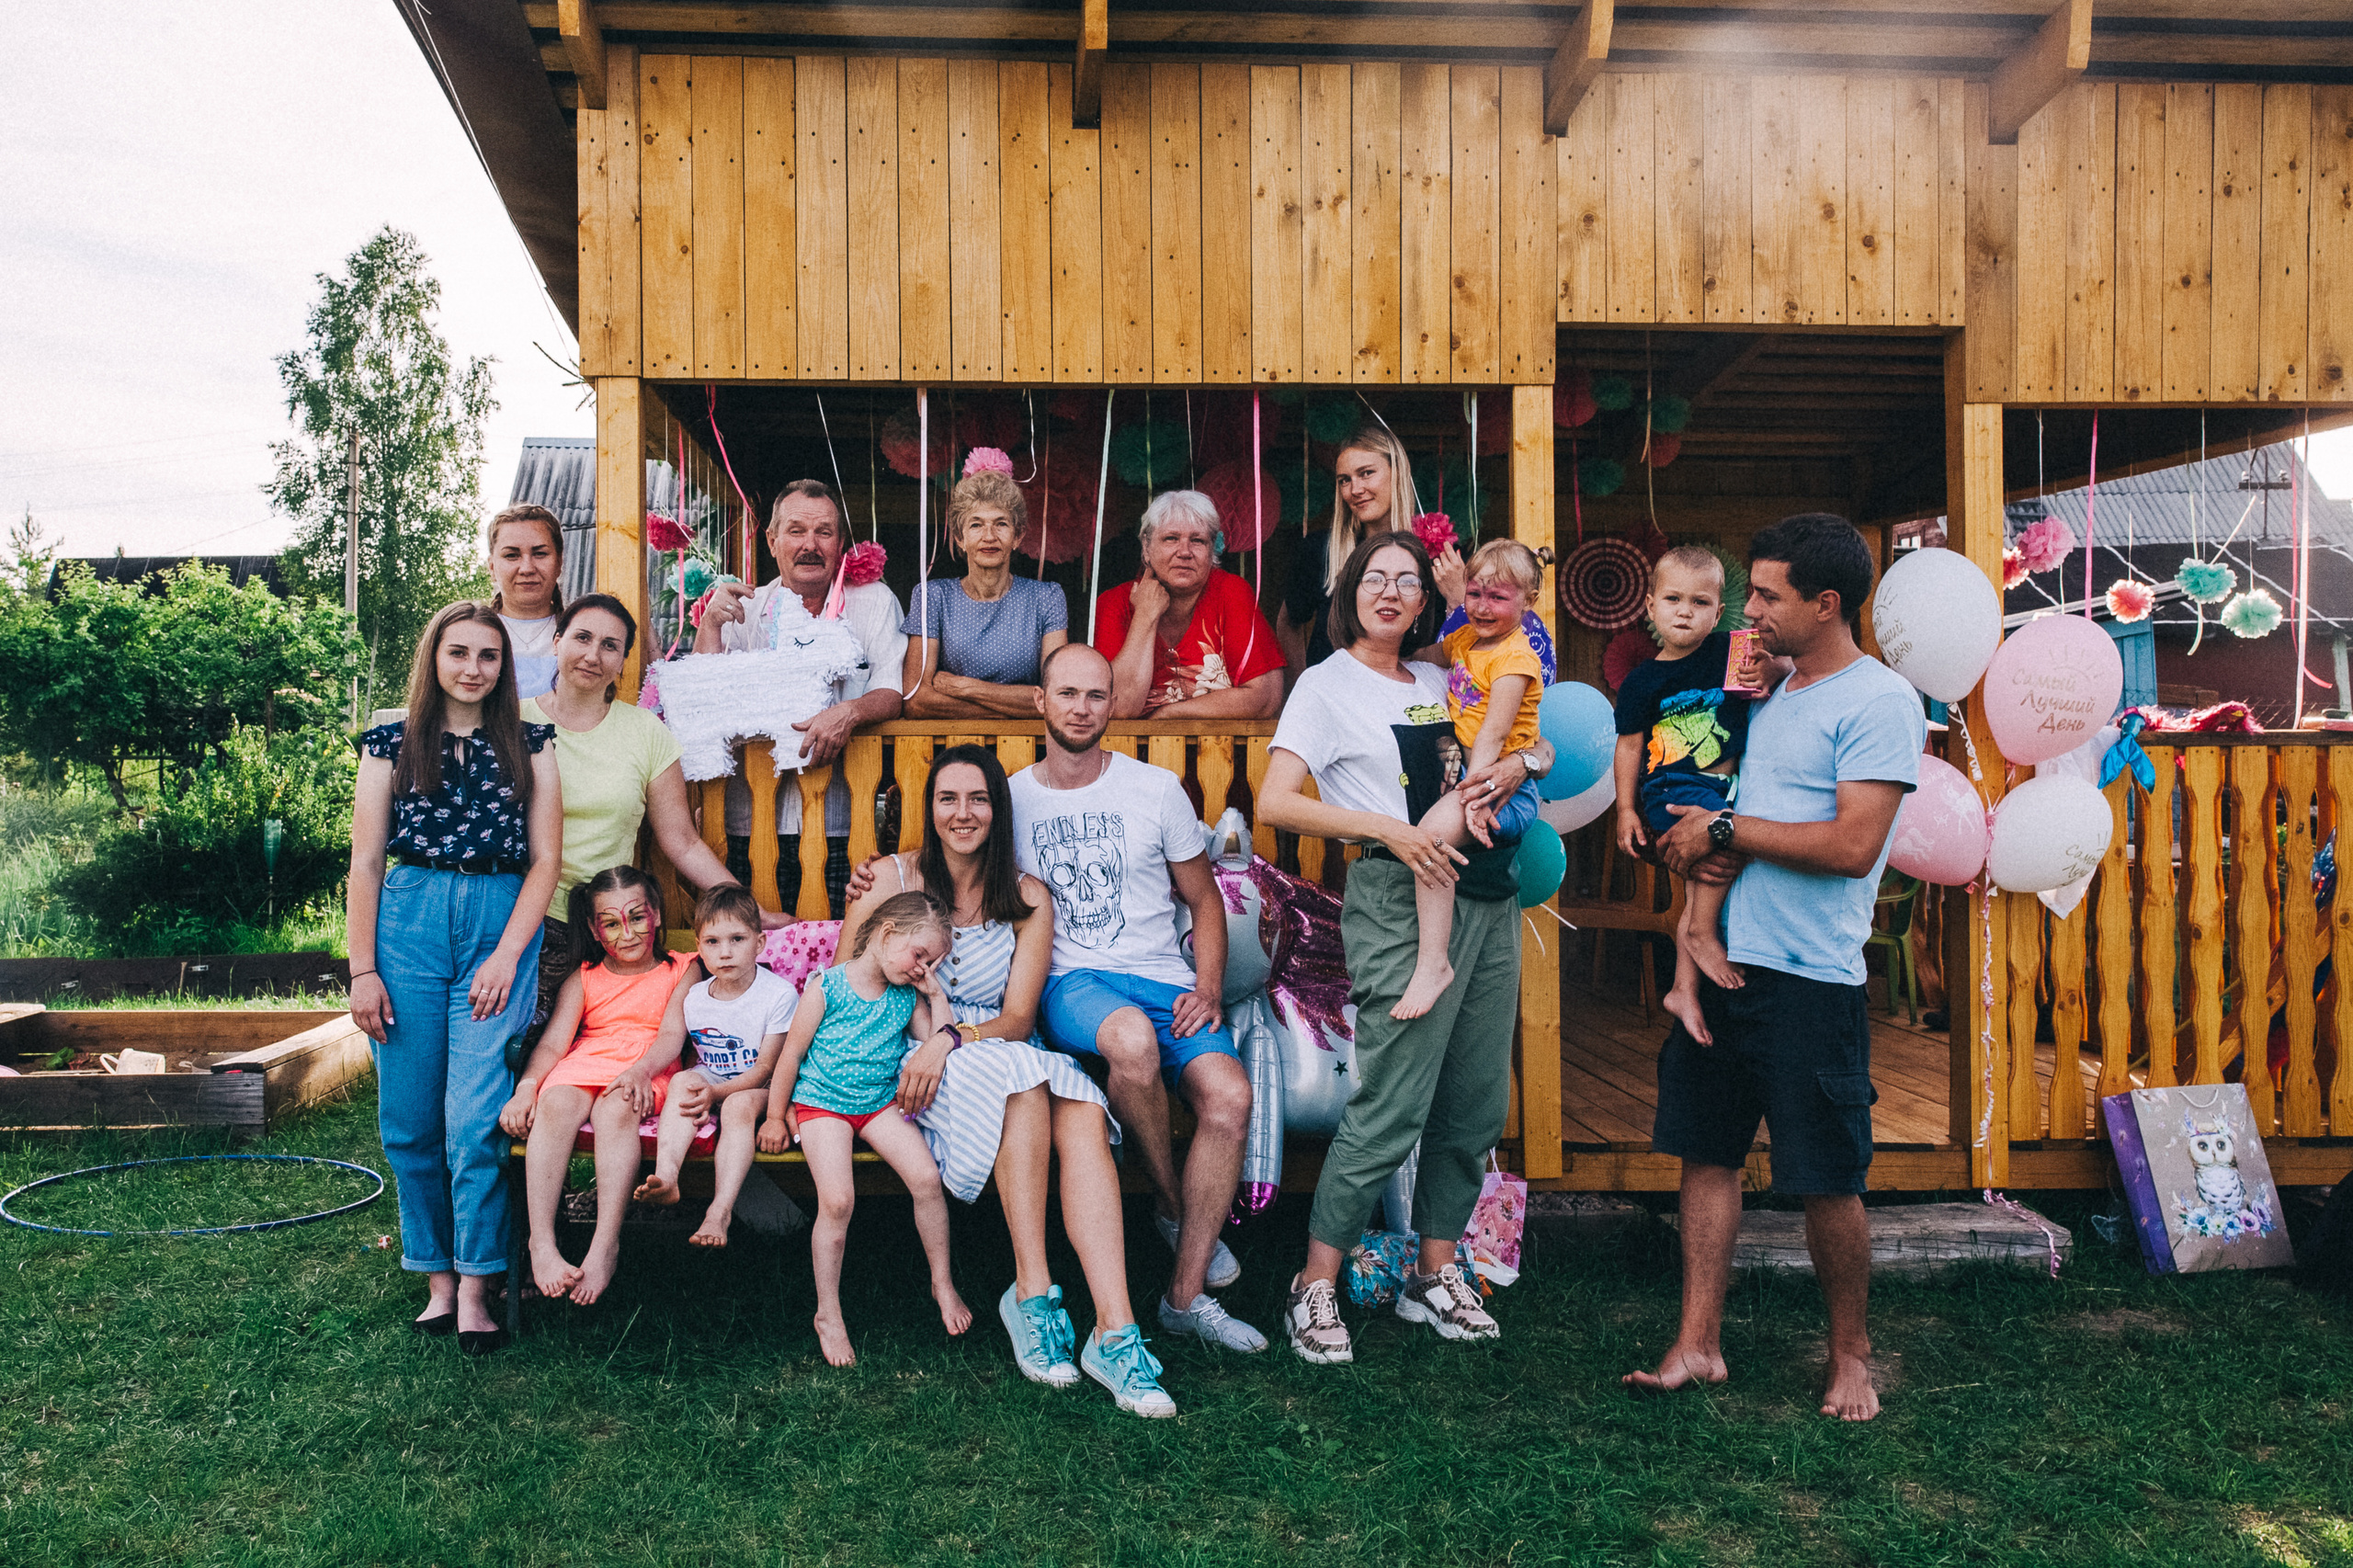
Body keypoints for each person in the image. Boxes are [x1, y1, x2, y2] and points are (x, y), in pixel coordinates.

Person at [1628, 513, 1924, 1423]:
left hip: (1808, 978)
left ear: (1824, 603)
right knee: (1705, 1153)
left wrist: (1723, 830)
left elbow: (1851, 842)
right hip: (1725, 968)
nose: (1747, 610)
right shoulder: (1774, 691)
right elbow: (1707, 787)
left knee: (1825, 1175)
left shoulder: (1877, 700)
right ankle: (1698, 1343)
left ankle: (1849, 1356)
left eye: (1765, 595)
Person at [1257, 532, 1549, 1363]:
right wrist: (1386, 826)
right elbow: (1277, 800)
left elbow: (1522, 733)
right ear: (1349, 591)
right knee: (1391, 1104)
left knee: (1475, 1102)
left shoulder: (1446, 672)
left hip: (1485, 895)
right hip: (1394, 894)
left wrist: (1534, 755)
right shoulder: (1325, 685)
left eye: (1408, 582)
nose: (1390, 593)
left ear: (1430, 599)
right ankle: (1313, 1284)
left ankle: (1434, 1271)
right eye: (1375, 579)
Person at [846, 745, 1166, 1415]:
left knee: (1077, 1104)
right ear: (929, 808)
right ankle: (1032, 1291)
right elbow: (853, 986)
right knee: (1028, 1084)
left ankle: (1115, 1328)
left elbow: (1018, 1019)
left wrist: (951, 1038)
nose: (963, 813)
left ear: (999, 808)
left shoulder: (1024, 895)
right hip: (916, 1063)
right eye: (948, 799)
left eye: (979, 799)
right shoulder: (889, 878)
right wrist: (924, 1042)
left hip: (985, 1043)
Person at [1014, 644, 1267, 1358]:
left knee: (1229, 1095)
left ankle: (1184, 1297)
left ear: (1111, 705)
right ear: (1041, 701)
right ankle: (1174, 1205)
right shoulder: (1012, 797)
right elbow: (947, 858)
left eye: (1096, 695)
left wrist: (1208, 986)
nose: (1081, 708)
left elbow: (1204, 899)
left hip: (1165, 979)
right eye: (1066, 693)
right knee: (1129, 1043)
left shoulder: (1155, 789)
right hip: (1074, 985)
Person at [347, 601, 561, 1356]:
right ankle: (436, 1276)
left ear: (505, 669)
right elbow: (366, 862)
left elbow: (546, 862)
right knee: (410, 1120)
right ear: (434, 659)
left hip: (496, 924)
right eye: (459, 652)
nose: (473, 668)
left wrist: (507, 955)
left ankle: (478, 1285)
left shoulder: (530, 742)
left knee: (475, 1119)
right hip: (407, 922)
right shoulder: (391, 741)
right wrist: (363, 967)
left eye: (489, 656)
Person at [524, 593, 777, 1034]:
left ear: (622, 660)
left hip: (608, 927)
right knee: (519, 1048)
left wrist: (746, 905)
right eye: (581, 638)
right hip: (522, 920)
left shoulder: (646, 732)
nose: (592, 654)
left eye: (609, 645)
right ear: (557, 641)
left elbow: (681, 840)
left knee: (598, 1052)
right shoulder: (515, 722)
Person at [758, 890, 972, 1368]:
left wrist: (936, 994)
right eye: (920, 956)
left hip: (877, 1104)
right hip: (821, 1105)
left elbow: (941, 1040)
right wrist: (776, 1115)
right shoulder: (827, 987)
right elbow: (790, 1055)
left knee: (925, 1179)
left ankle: (941, 1281)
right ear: (887, 932)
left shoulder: (905, 996)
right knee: (838, 1201)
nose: (922, 969)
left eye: (932, 963)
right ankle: (828, 1313)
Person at [694, 480, 907, 915]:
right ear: (771, 541)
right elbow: (702, 703)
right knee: (751, 956)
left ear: (841, 543)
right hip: (746, 821)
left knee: (838, 949)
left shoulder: (873, 601)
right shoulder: (743, 608)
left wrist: (848, 712)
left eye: (824, 532)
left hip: (842, 822)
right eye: (796, 531)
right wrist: (709, 630)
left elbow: (892, 691)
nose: (810, 545)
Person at [499, 867, 692, 1308]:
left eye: (637, 917)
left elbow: (671, 1037)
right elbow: (553, 1045)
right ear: (593, 928)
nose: (627, 933)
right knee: (556, 1101)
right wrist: (528, 1087)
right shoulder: (583, 977)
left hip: (646, 1067)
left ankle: (605, 1243)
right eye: (611, 923)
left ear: (657, 915)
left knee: (615, 1108)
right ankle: (541, 1243)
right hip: (585, 1062)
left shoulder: (682, 968)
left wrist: (641, 1071)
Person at [1611, 547, 1781, 1044]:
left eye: (1700, 602)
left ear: (1718, 612)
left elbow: (1787, 663)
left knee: (1700, 884)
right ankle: (1702, 935)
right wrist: (1625, 808)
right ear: (1650, 606)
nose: (1685, 611)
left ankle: (1683, 987)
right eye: (1673, 599)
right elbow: (1629, 746)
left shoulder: (1732, 650)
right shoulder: (1643, 679)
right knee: (1713, 864)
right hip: (1672, 788)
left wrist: (1768, 671)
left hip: (1723, 787)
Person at [1393, 539, 1549, 1021]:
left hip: (1505, 786)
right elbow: (1433, 654)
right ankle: (1436, 957)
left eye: (1498, 597)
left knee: (1432, 835)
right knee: (1435, 837)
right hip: (1478, 777)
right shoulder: (1466, 640)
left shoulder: (1515, 660)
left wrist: (1476, 797)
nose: (1483, 606)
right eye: (1476, 593)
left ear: (1529, 600)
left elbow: (1492, 735)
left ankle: (1434, 962)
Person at [633, 885, 800, 1249]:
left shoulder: (778, 994)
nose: (724, 953)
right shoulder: (695, 998)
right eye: (712, 942)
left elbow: (767, 1067)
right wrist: (703, 1090)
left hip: (767, 1087)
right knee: (683, 1081)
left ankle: (719, 1211)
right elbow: (689, 1057)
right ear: (699, 947)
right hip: (715, 1080)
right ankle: (667, 1176)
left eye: (737, 939)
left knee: (738, 1107)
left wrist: (717, 1094)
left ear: (759, 943)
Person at [1095, 490, 1283, 719]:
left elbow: (1265, 697)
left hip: (1222, 752)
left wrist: (1170, 715)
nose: (1184, 552)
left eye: (1197, 541)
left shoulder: (1230, 591)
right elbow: (1119, 708)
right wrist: (1145, 614)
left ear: (1212, 549)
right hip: (1134, 754)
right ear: (1146, 547)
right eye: (1171, 538)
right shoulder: (1114, 603)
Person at [900, 469, 1069, 718]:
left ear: (1017, 536)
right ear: (960, 537)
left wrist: (966, 687)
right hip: (952, 747)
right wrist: (1012, 710)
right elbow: (916, 700)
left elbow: (1057, 698)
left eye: (1001, 524)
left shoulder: (1046, 598)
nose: (989, 536)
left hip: (1029, 747)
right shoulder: (932, 597)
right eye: (976, 524)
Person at [1277, 423, 1430, 677]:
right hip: (1333, 703)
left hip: (1409, 702)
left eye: (1366, 473)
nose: (1355, 490)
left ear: (1398, 472)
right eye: (1344, 480)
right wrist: (1302, 685)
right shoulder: (1321, 549)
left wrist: (1457, 597)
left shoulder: (1435, 553)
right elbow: (1288, 621)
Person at [488, 504, 566, 699]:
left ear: (559, 563)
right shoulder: (468, 634)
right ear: (491, 567)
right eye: (511, 555)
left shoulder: (582, 636)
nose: (527, 568)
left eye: (540, 553)